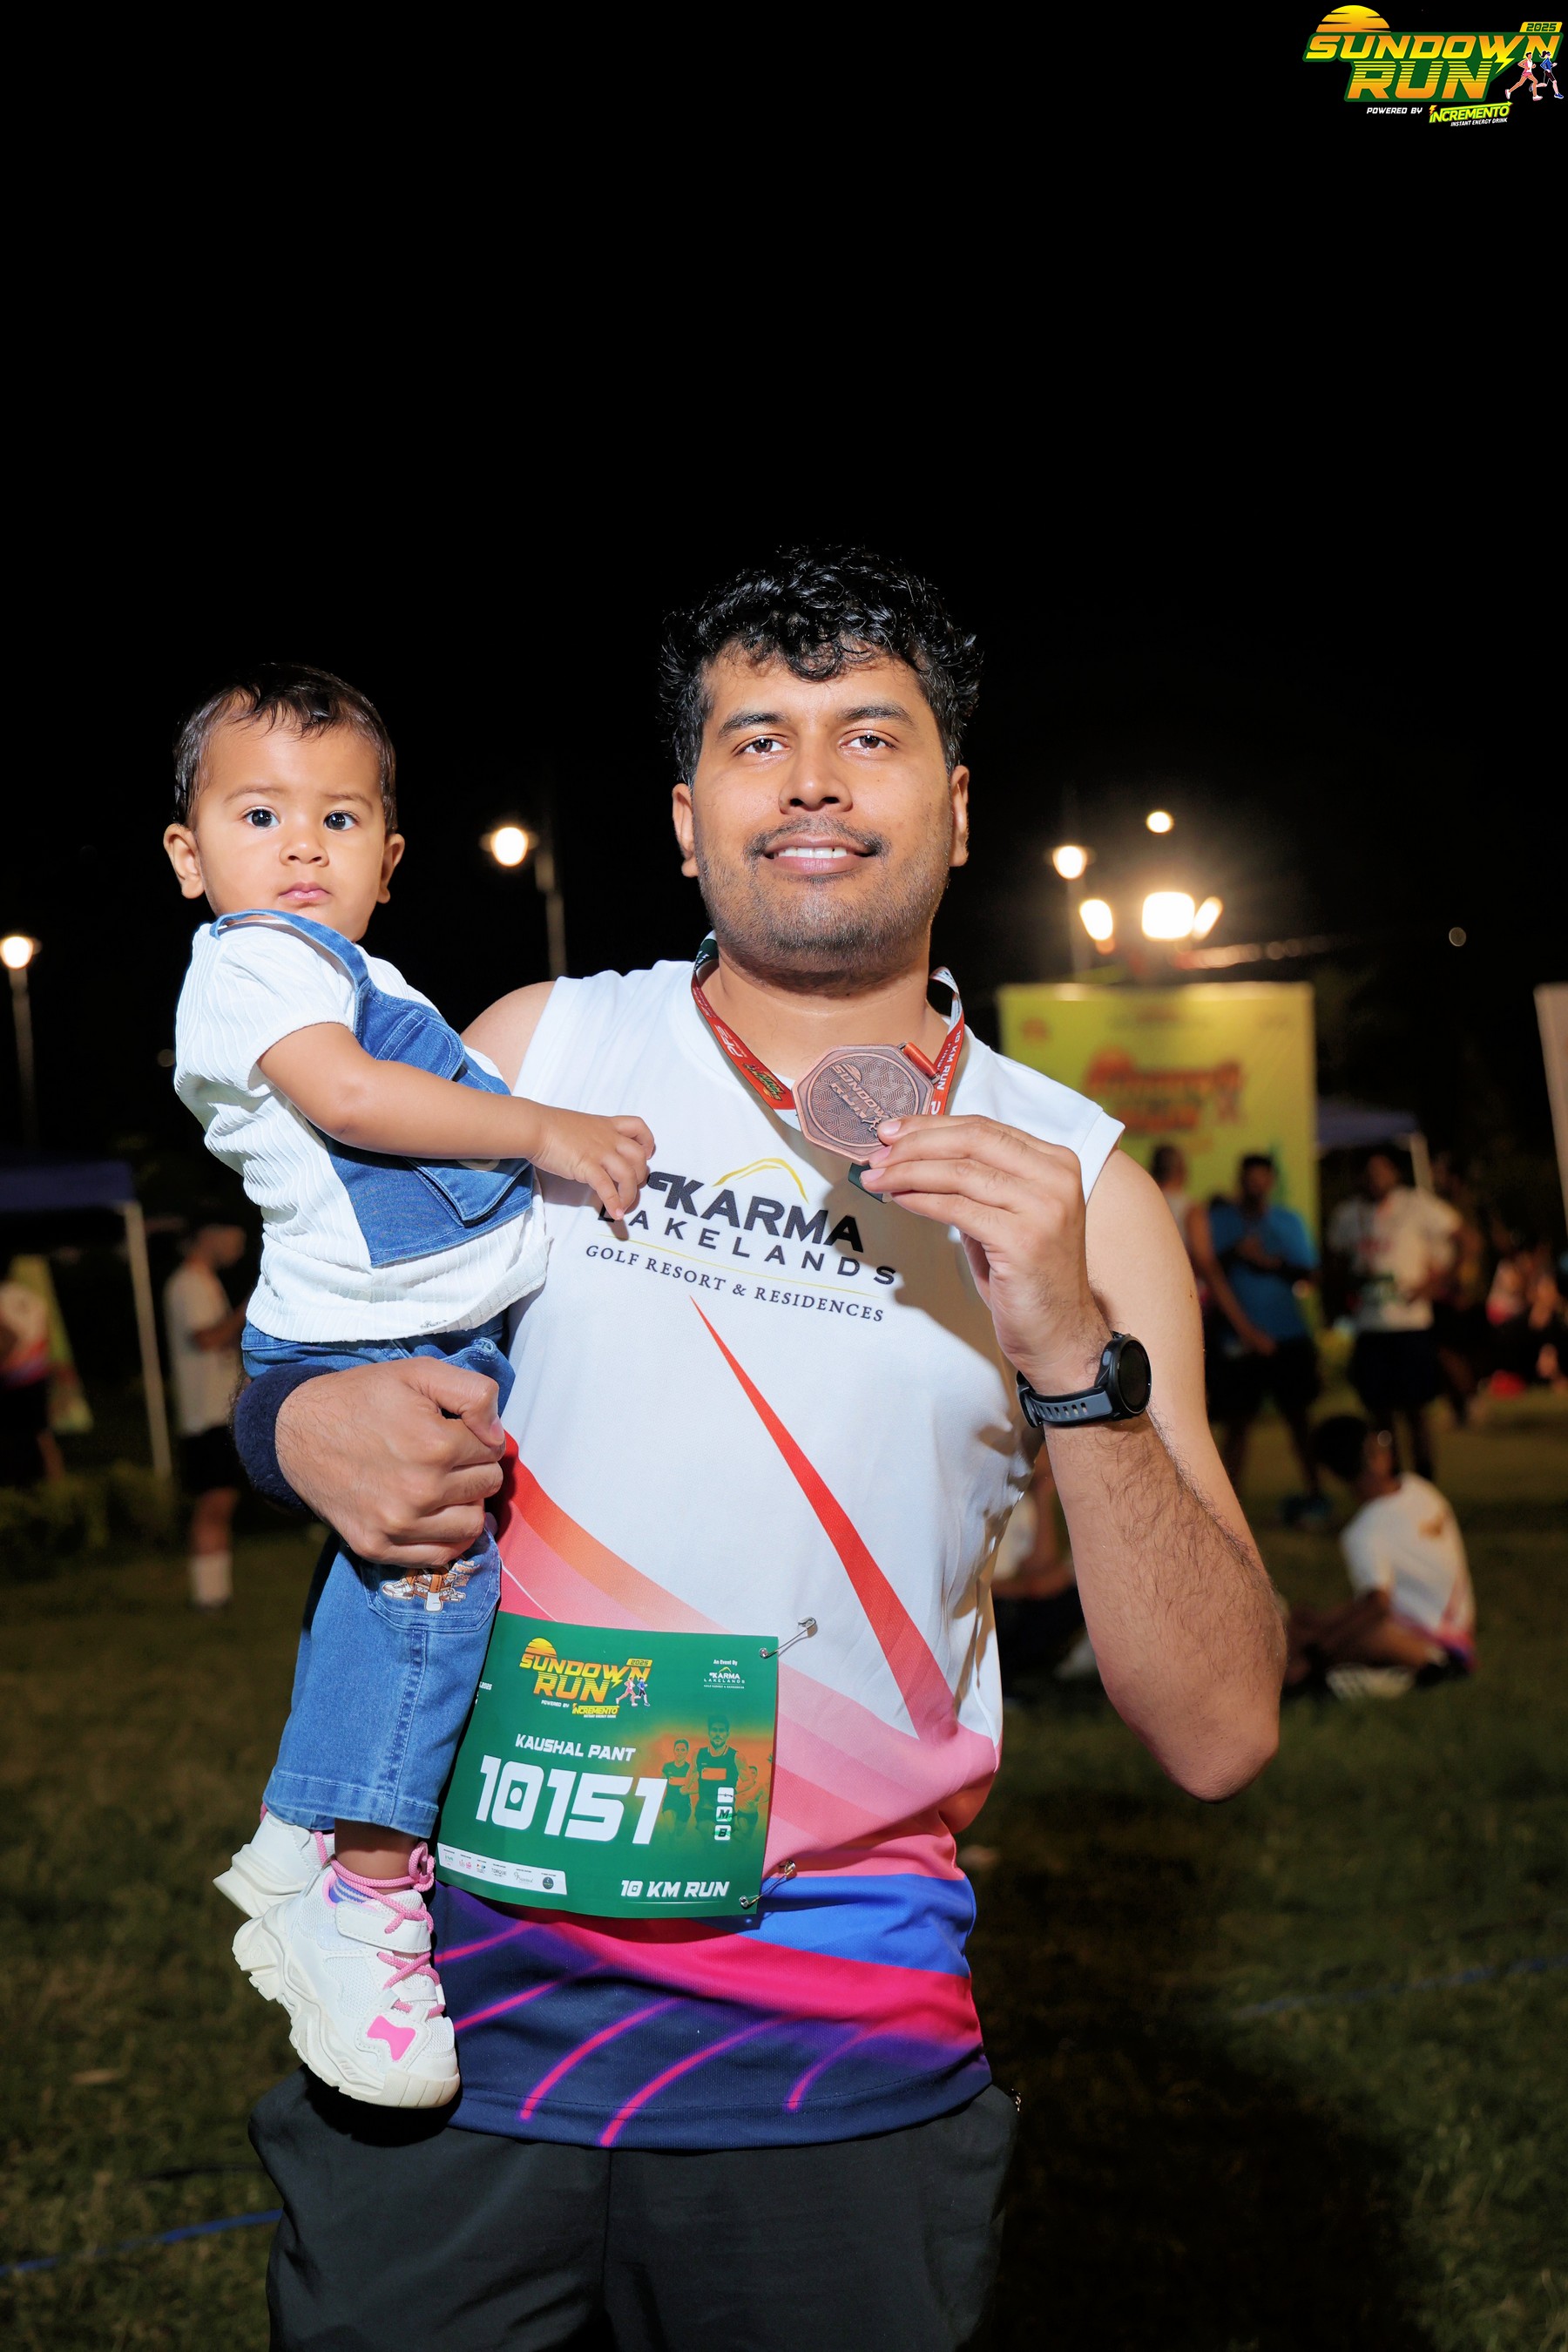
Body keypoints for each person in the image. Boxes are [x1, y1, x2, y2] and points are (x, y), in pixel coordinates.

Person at [233, 549, 1283, 2351]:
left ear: (957, 808)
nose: (809, 783)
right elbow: (322, 1365)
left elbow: (1221, 1729)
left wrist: (1070, 1357)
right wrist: (297, 1423)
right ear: (683, 816)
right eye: (755, 740)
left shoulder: (1081, 1186)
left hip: (831, 2059)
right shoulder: (538, 1052)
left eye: (869, 736)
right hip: (439, 2023)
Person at [162, 664, 652, 2111]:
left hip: (395, 1327)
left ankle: (292, 1834)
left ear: (388, 857)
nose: (301, 846)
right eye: (259, 815)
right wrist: (544, 1129)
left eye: (339, 817)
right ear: (190, 856)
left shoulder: (349, 972)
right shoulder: (256, 964)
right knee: (437, 1595)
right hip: (366, 1344)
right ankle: (365, 1900)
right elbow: (355, 1099)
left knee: (387, 1598)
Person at [1285, 1416, 1475, 1693]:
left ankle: (1319, 1675)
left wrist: (1321, 1647)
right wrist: (1324, 1623)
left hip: (1423, 1641)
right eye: (1381, 1442)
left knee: (1364, 1634)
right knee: (1309, 1623)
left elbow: (1378, 1605)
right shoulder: (1419, 1489)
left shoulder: (1365, 1532)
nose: (1388, 1449)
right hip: (1458, 1632)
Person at [1206, 1153, 1326, 1521]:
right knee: (1236, 1424)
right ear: (1240, 1181)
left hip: (1287, 1335)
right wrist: (1236, 1253)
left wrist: (1270, 1263)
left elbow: (1309, 1273)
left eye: (1262, 1179)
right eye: (1250, 1179)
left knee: (1299, 1419)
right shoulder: (1221, 1221)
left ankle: (1316, 1495)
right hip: (1239, 1339)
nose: (1256, 1186)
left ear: (1271, 1182)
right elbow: (1207, 1268)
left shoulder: (1288, 1222)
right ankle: (1226, 1510)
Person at [1327, 1150, 1460, 1480]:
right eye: (1369, 1172)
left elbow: (1466, 1241)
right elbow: (1334, 1262)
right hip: (1370, 1327)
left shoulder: (1416, 1205)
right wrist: (1350, 1285)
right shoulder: (1348, 1214)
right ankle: (1393, 1479)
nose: (1375, 1179)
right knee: (1379, 1413)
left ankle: (1425, 1479)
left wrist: (1434, 1285)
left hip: (1410, 1325)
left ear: (1395, 1173)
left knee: (1416, 1410)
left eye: (1381, 1171)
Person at [162, 1220, 250, 1609]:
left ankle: (217, 1593)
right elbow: (206, 1337)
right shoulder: (188, 1284)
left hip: (216, 1411)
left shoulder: (205, 1282)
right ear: (208, 1234)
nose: (238, 1247)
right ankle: (208, 1596)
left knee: (222, 1502)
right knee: (214, 1503)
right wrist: (247, 1309)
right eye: (233, 1236)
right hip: (204, 1413)